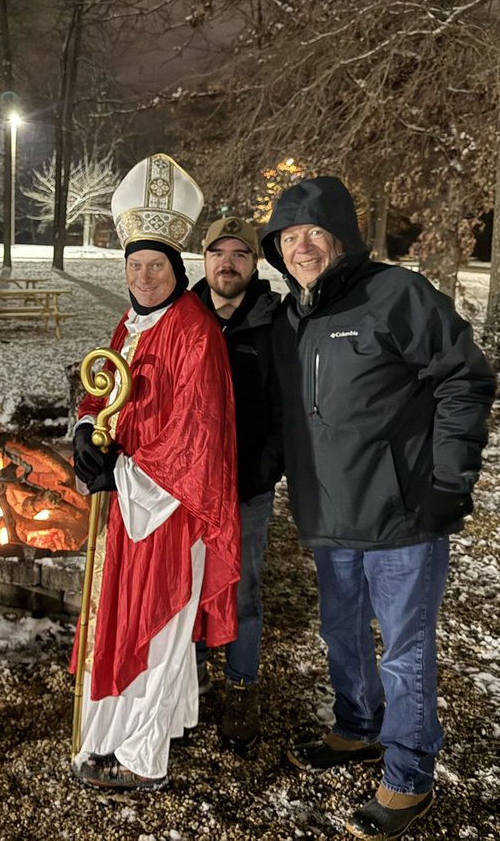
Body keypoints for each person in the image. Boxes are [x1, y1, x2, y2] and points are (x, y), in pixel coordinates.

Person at [261, 177, 495, 839]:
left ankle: (409, 774)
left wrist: (450, 478)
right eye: (289, 236)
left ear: (342, 237)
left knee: (404, 650)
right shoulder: (291, 318)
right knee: (342, 635)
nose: (301, 246)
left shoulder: (397, 295)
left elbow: (465, 378)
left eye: (314, 233)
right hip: (330, 515)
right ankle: (357, 727)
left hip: (401, 515)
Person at [70, 153, 241, 791]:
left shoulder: (195, 331)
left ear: (177, 268)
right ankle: (146, 726)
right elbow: (101, 392)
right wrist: (88, 436)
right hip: (127, 500)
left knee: (161, 622)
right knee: (131, 615)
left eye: (156, 266)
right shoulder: (129, 323)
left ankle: (143, 759)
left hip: (170, 505)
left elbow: (196, 435)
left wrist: (122, 470)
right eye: (135, 266)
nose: (144, 276)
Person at [190, 215, 283, 756]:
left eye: (240, 254)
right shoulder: (182, 316)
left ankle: (242, 686)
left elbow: (284, 412)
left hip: (247, 486)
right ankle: (193, 678)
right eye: (218, 253)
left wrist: (262, 471)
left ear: (255, 262)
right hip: (188, 488)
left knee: (242, 588)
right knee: (191, 586)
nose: (228, 263)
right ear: (203, 261)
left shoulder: (275, 324)